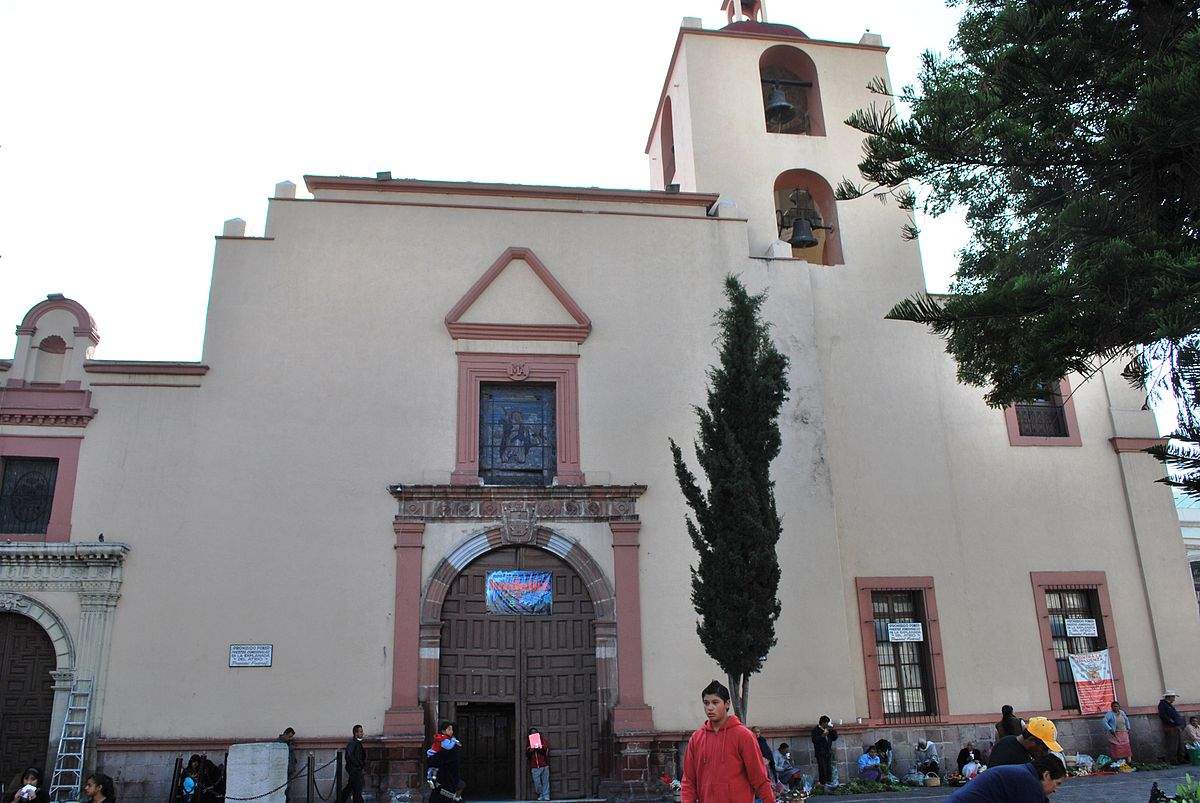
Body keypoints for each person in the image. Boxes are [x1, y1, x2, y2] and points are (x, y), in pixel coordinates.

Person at [680, 680, 775, 803]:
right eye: (706, 703)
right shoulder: (696, 738)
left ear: (727, 704)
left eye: (715, 702)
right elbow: (688, 781)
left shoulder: (744, 736)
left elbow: (759, 778)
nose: (710, 708)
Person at [946, 752, 1067, 801]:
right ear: (1046, 775)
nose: (1056, 790)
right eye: (1057, 783)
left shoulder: (1024, 774)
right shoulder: (1029, 783)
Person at [986, 716, 1061, 767]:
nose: (1045, 753)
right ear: (1032, 740)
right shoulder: (1021, 761)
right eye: (1044, 748)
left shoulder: (1007, 740)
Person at [336, 725, 366, 803]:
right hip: (354, 770)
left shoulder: (357, 743)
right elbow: (349, 755)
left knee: (350, 788)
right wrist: (358, 764)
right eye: (360, 731)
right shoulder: (353, 743)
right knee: (357, 789)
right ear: (356, 733)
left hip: (355, 769)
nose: (362, 733)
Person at [426, 721, 459, 789]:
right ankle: (432, 779)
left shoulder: (442, 738)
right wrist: (453, 741)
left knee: (433, 769)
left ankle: (431, 778)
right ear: (443, 731)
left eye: (452, 729)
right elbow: (448, 747)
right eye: (449, 729)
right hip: (437, 758)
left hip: (433, 756)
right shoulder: (444, 740)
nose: (451, 731)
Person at [1159, 689, 1188, 764]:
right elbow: (1163, 716)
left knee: (1179, 743)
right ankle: (1172, 760)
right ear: (1169, 697)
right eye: (1173, 697)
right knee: (1172, 744)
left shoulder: (1169, 705)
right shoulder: (1162, 705)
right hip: (1170, 727)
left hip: (1176, 726)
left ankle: (1180, 758)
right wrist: (1173, 722)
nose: (1174, 699)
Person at [810, 716, 838, 786]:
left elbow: (834, 738)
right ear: (823, 723)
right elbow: (814, 740)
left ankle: (829, 782)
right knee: (822, 768)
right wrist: (822, 736)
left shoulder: (828, 729)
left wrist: (833, 730)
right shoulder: (816, 730)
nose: (827, 724)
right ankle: (823, 783)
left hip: (828, 752)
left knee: (828, 768)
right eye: (826, 723)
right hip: (820, 752)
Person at [526, 726, 550, 801]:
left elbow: (546, 750)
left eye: (535, 733)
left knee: (545, 781)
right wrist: (531, 750)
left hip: (544, 765)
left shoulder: (543, 741)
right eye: (532, 733)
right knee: (537, 782)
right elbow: (527, 754)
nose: (534, 734)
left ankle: (546, 795)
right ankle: (540, 793)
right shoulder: (528, 743)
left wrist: (540, 747)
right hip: (535, 766)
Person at [276, 727, 296, 800]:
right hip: (282, 770)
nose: (290, 738)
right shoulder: (278, 743)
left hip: (289, 769)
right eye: (289, 736)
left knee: (288, 789)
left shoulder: (289, 743)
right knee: (282, 789)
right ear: (285, 734)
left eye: (291, 737)